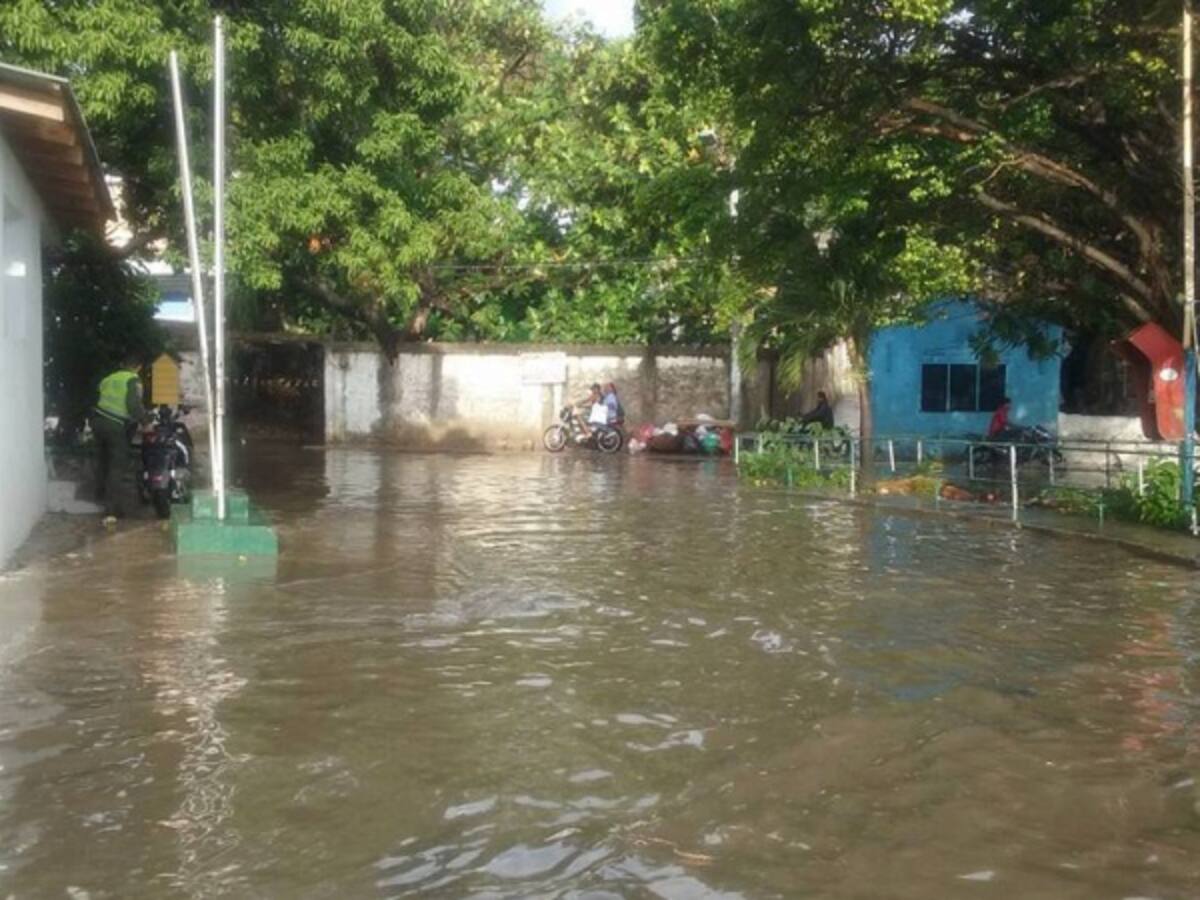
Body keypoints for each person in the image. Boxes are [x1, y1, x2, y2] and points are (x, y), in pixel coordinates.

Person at [93, 357, 147, 521]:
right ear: (139, 367)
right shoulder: (132, 380)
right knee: (117, 465)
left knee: (103, 460)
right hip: (114, 424)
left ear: (122, 365)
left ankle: (99, 496)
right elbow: (133, 405)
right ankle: (112, 510)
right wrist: (146, 422)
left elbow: (99, 396)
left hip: (98, 421)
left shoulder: (109, 378)